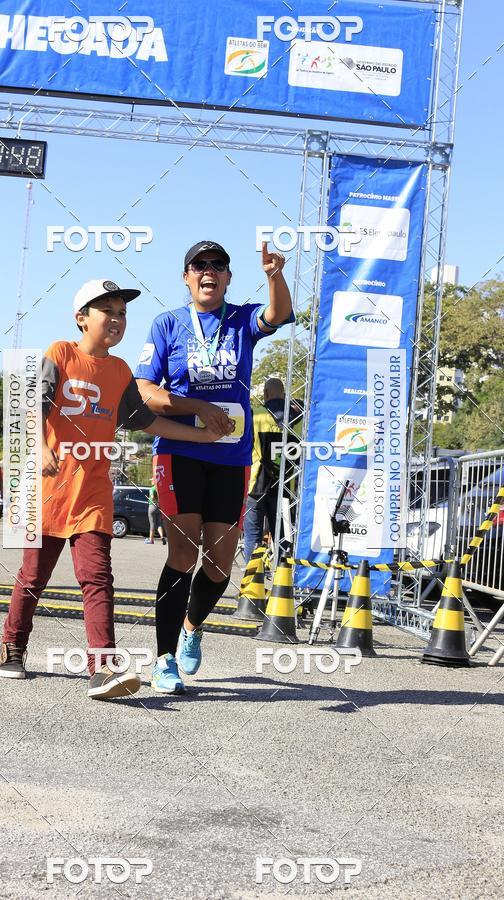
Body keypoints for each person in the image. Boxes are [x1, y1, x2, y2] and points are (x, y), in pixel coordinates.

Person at [0, 279, 219, 701]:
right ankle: (13, 645)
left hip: (93, 492)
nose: (116, 320)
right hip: (48, 489)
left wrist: (202, 437)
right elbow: (31, 404)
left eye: (122, 313)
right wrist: (40, 445)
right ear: (82, 318)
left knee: (97, 577)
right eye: (107, 311)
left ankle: (103, 669)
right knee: (33, 576)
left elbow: (147, 422)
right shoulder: (60, 352)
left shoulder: (119, 372)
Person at [135, 240, 293, 694]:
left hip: (230, 456)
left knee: (221, 564)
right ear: (186, 276)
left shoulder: (241, 319)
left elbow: (277, 315)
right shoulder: (168, 323)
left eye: (218, 266)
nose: (208, 271)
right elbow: (145, 389)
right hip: (180, 452)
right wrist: (197, 407)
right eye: (199, 265)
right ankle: (163, 660)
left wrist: (274, 274)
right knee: (182, 554)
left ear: (228, 277)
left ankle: (192, 625)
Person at [243, 377, 290, 565]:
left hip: (256, 484)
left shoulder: (255, 414)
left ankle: (252, 582)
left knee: (252, 536)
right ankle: (282, 581)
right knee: (284, 537)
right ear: (284, 394)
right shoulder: (299, 416)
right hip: (286, 485)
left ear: (266, 394)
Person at [145, 480, 166, 545]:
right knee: (159, 524)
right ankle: (162, 537)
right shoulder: (160, 489)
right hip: (159, 507)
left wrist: (150, 499)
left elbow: (152, 497)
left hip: (152, 506)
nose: (151, 482)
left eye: (152, 480)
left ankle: (151, 540)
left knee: (152, 523)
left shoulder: (152, 488)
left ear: (154, 482)